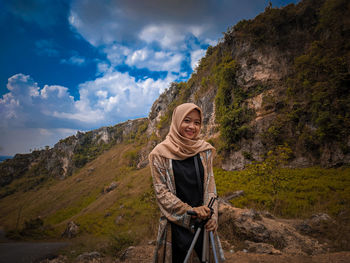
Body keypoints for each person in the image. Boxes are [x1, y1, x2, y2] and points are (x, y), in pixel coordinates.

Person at [149, 103, 225, 263]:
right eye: (187, 120)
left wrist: (213, 215)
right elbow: (162, 193)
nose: (192, 126)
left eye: (197, 123)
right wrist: (190, 211)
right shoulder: (159, 154)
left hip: (203, 223)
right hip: (175, 226)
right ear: (177, 121)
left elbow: (210, 186)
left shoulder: (204, 151)